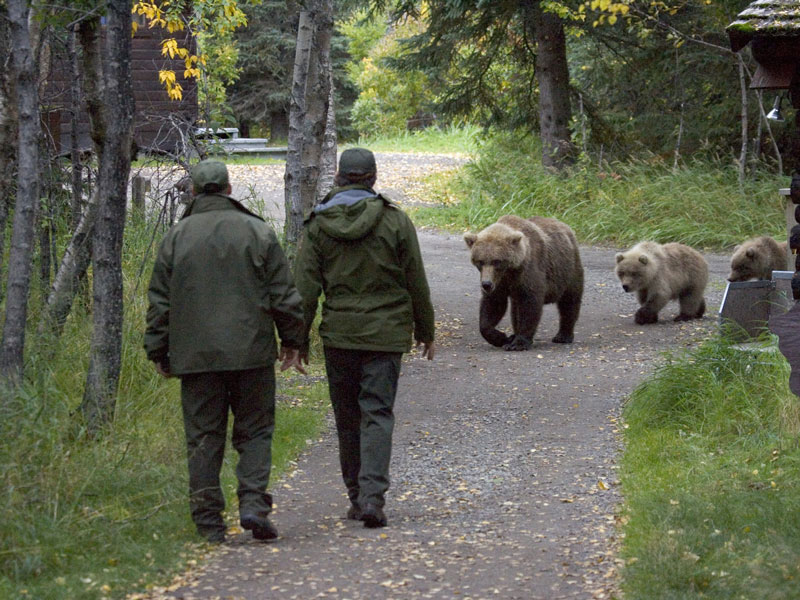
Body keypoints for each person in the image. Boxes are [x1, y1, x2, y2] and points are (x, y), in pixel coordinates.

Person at [144, 160, 305, 544]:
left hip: (196, 358)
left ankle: (208, 522)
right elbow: (284, 295)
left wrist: (158, 350)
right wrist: (293, 341)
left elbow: (160, 302)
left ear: (195, 192)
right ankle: (252, 504)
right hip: (251, 353)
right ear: (230, 190)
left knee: (203, 437)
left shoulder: (176, 237)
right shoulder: (258, 232)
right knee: (255, 431)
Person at [294, 147, 435, 528]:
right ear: (373, 178)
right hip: (386, 337)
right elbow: (415, 281)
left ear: (339, 177)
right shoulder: (396, 221)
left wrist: (296, 340)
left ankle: (357, 497)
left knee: (347, 418)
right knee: (377, 413)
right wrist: (426, 331)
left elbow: (305, 289)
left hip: (340, 335)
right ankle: (373, 497)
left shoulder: (318, 225)